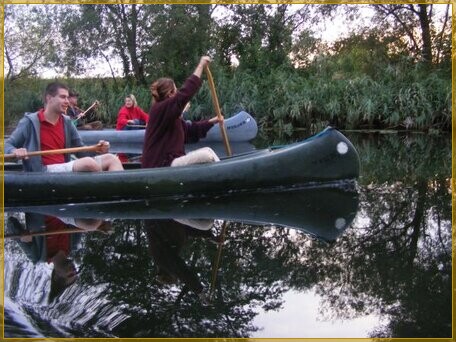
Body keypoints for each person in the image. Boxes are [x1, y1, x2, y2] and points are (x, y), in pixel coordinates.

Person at [4, 81, 123, 172]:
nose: (67, 101)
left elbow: (80, 150)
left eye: (67, 97)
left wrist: (96, 150)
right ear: (49, 98)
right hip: (44, 171)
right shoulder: (29, 122)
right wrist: (15, 150)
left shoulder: (67, 122)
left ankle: (120, 196)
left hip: (65, 167)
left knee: (112, 158)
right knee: (88, 163)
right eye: (62, 97)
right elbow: (7, 145)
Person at [6, 213, 110, 302]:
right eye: (75, 273)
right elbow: (80, 218)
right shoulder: (74, 244)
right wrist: (98, 227)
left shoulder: (37, 256)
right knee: (91, 224)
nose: (73, 270)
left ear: (56, 276)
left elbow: (10, 223)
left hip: (40, 207)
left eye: (70, 275)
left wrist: (22, 235)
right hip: (64, 206)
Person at [142, 56, 223, 168]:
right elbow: (185, 93)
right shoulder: (159, 109)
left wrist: (212, 121)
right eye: (176, 90)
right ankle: (225, 175)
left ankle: (223, 172)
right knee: (206, 155)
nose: (178, 92)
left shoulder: (172, 116)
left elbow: (189, 131)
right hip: (160, 165)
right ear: (170, 94)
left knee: (207, 150)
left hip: (171, 162)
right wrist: (201, 65)